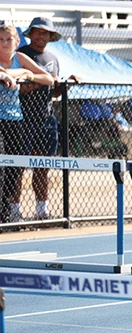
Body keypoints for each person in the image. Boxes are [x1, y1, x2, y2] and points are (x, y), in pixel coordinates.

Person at [17, 17, 80, 220]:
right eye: (37, 31)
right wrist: (41, 81)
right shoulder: (21, 55)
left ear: (51, 36)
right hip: (21, 119)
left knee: (42, 166)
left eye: (45, 32)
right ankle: (13, 211)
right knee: (17, 167)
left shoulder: (53, 58)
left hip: (46, 119)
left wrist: (66, 84)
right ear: (31, 33)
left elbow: (54, 94)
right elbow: (19, 88)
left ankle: (41, 210)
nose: (41, 35)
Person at [0, 23, 55, 223]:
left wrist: (27, 73)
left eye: (9, 39)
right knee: (1, 166)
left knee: (15, 166)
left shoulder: (20, 59)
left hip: (16, 119)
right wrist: (13, 73)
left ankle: (6, 212)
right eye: (1, 39)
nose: (5, 43)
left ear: (16, 42)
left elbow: (48, 79)